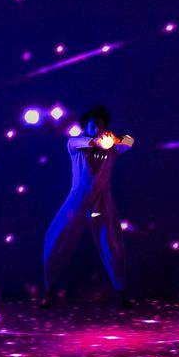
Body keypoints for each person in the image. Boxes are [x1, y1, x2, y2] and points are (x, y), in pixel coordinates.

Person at [41, 105, 135, 307]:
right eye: (93, 124)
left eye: (100, 124)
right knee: (57, 238)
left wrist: (115, 139)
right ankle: (47, 289)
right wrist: (101, 140)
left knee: (112, 243)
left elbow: (130, 141)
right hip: (77, 199)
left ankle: (121, 291)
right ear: (86, 126)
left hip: (102, 200)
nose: (96, 127)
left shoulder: (112, 146)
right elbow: (90, 142)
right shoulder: (75, 142)